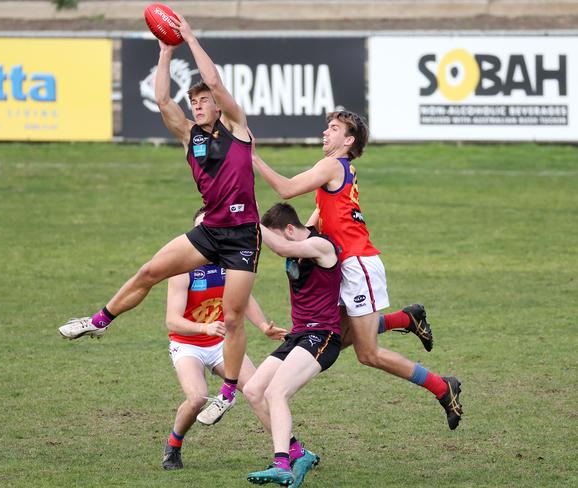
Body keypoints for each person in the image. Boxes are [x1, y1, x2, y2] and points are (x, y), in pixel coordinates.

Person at [59, 15, 260, 425]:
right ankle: (99, 321)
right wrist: (166, 51)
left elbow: (217, 83)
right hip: (209, 232)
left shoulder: (239, 130)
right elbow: (164, 101)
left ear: (219, 105)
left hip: (242, 238)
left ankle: (226, 393)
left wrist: (189, 37)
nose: (199, 104)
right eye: (196, 101)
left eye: (204, 100)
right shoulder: (191, 136)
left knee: (234, 318)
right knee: (149, 271)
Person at [252, 111, 463, 430]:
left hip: (357, 264)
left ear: (348, 141)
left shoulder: (333, 164)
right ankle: (407, 319)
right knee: (334, 337)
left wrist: (251, 155)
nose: (326, 132)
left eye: (333, 128)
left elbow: (287, 188)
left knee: (367, 353)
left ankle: (441, 386)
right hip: (350, 264)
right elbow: (320, 213)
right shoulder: (337, 171)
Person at [162, 208, 287, 470]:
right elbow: (172, 321)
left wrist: (264, 325)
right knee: (197, 398)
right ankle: (173, 445)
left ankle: (291, 451)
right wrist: (204, 329)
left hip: (221, 344)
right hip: (188, 344)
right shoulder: (182, 270)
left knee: (258, 392)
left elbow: (244, 300)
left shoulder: (229, 264)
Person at [243, 203, 342, 487]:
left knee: (276, 392)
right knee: (253, 390)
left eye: (279, 237)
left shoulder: (322, 246)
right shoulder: (301, 234)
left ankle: (282, 464)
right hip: (298, 335)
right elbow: (318, 206)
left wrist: (248, 216)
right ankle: (299, 453)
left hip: (322, 336)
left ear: (289, 230)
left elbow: (284, 247)